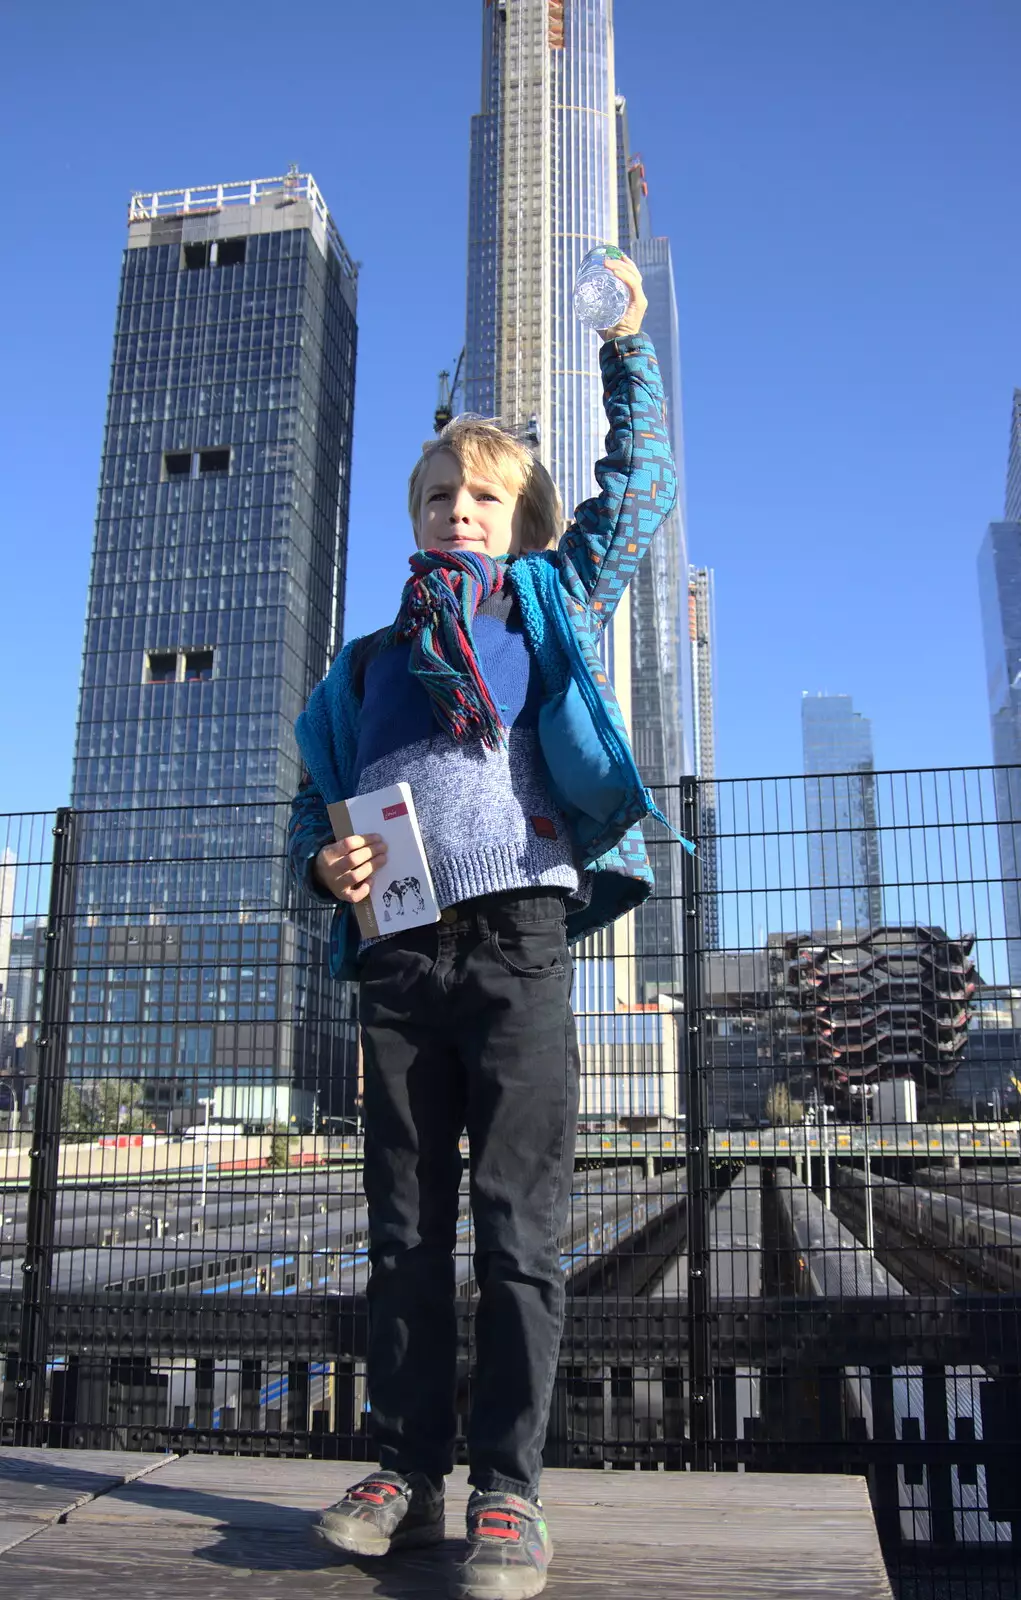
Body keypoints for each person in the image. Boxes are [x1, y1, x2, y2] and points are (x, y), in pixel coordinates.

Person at [288, 254, 680, 1600]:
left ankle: (509, 1494)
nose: (463, 511)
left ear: (517, 521)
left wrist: (625, 349)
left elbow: (644, 494)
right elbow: (316, 816)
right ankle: (405, 1466)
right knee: (403, 1231)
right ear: (417, 510)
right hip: (399, 957)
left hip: (516, 948)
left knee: (517, 1229)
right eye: (443, 494)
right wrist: (326, 863)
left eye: (486, 498)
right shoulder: (365, 666)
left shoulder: (550, 607)